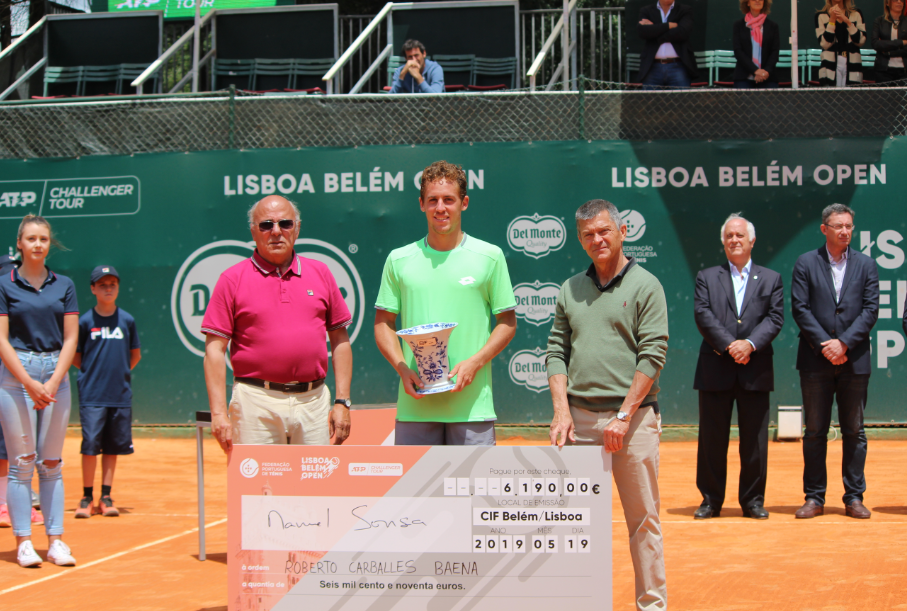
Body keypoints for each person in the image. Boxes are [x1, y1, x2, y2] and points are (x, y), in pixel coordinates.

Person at [547, 199, 668, 610]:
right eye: (587, 235)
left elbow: (652, 355)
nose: (597, 240)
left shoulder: (647, 285)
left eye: (604, 231)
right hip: (578, 423)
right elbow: (556, 352)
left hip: (632, 424)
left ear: (622, 232)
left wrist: (623, 415)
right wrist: (562, 411)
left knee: (643, 522)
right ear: (580, 240)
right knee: (578, 522)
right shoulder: (570, 289)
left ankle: (651, 605)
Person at [374, 161, 516, 446]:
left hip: (472, 410)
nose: (441, 207)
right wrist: (403, 368)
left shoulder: (490, 256)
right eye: (433, 200)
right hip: (416, 408)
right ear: (421, 204)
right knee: (415, 492)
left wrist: (475, 363)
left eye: (449, 200)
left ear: (463, 203)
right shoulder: (399, 259)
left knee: (474, 492)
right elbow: (383, 324)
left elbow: (507, 323)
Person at [202, 195, 353, 454]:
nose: (276, 232)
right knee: (258, 490)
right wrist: (217, 413)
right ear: (253, 231)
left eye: (285, 223)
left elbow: (340, 340)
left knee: (313, 489)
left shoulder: (321, 273)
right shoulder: (231, 279)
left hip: (313, 401)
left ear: (297, 228)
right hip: (255, 402)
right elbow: (214, 350)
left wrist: (342, 401)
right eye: (266, 225)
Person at [692, 214, 784, 520]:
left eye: (740, 235)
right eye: (729, 235)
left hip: (755, 369)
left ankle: (753, 501)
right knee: (711, 440)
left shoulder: (771, 278)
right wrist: (731, 345)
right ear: (723, 241)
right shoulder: (707, 276)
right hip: (716, 368)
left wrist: (750, 345)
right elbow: (703, 314)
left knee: (755, 441)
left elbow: (775, 318)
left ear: (752, 241)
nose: (734, 240)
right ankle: (710, 500)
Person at [791, 203, 878, 519]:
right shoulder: (805, 263)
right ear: (824, 229)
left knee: (854, 430)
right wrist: (826, 345)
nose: (845, 232)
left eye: (849, 227)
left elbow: (870, 310)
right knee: (814, 431)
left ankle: (854, 496)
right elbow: (800, 308)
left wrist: (844, 344)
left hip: (854, 361)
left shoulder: (867, 265)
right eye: (839, 226)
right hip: (816, 361)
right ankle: (814, 497)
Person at [0, 214, 78, 567]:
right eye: (30, 239)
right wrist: (29, 382)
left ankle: (56, 542)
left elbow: (72, 337)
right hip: (17, 376)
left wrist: (53, 379)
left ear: (49, 244)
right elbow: (1, 340)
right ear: (19, 244)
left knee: (51, 463)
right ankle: (23, 544)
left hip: (56, 377)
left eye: (43, 239)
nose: (37, 244)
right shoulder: (5, 284)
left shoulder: (65, 285)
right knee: (21, 464)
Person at [72, 265, 141, 519]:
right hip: (92, 395)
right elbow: (76, 356)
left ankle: (106, 496)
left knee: (112, 447)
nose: (108, 288)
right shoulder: (85, 322)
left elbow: (135, 355)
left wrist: (118, 374)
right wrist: (93, 373)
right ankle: (86, 496)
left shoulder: (127, 320)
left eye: (112, 284)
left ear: (118, 287)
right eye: (102, 285)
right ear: (93, 289)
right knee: (90, 446)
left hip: (119, 396)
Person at [636, 0, 697, 88]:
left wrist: (655, 32)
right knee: (651, 100)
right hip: (652, 67)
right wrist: (668, 25)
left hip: (678, 66)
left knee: (681, 100)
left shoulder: (685, 10)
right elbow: (642, 32)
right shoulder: (646, 10)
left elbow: (683, 32)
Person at [815, 0, 867, 86]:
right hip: (830, 66)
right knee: (831, 96)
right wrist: (832, 20)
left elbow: (861, 41)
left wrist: (847, 22)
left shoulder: (856, 13)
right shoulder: (821, 15)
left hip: (853, 64)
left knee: (851, 96)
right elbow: (825, 43)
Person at [733, 0, 781, 88]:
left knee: (771, 100)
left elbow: (774, 51)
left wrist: (765, 72)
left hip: (767, 76)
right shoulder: (738, 25)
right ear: (747, 3)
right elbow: (738, 51)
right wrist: (755, 71)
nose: (757, 0)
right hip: (744, 77)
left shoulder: (773, 26)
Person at [870, 0, 907, 83]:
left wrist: (887, 52)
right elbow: (875, 43)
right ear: (887, 3)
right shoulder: (879, 21)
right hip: (883, 70)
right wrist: (902, 42)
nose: (899, 2)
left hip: (904, 71)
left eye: (901, 0)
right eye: (895, 0)